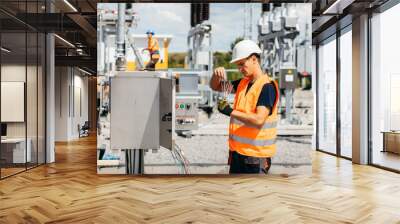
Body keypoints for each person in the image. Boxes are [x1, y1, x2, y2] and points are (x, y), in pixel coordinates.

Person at [210, 39, 279, 174]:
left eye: (242, 64)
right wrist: (216, 75)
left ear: (254, 59)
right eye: (238, 65)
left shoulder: (267, 86)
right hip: (238, 153)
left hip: (255, 157)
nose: (240, 69)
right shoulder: (243, 84)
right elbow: (216, 86)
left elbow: (259, 120)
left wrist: (230, 111)